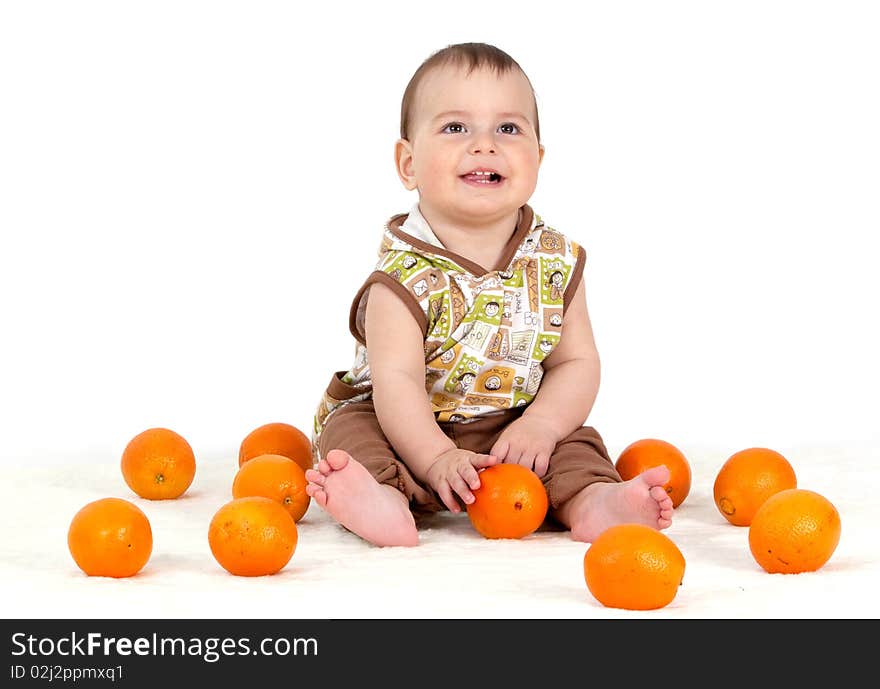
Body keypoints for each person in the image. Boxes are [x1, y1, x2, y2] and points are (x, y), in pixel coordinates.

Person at [305, 42, 673, 547]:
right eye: (456, 127)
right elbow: (398, 384)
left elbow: (576, 363)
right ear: (408, 163)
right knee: (352, 436)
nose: (485, 144)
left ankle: (596, 502)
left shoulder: (555, 261)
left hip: (511, 420)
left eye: (509, 128)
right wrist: (436, 458)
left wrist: (541, 425)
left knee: (577, 445)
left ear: (537, 159)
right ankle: (380, 499)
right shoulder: (402, 277)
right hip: (403, 418)